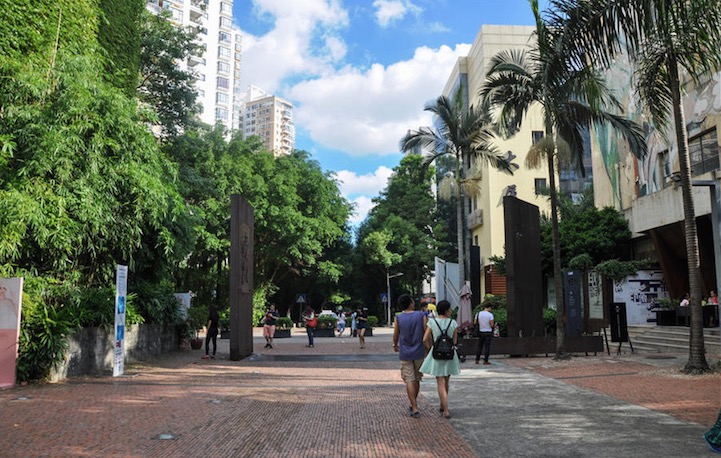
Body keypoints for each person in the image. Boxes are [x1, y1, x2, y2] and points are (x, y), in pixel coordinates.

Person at [419, 299, 460, 419]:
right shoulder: (452, 323)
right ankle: (444, 406)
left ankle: (445, 408)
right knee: (446, 380)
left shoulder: (432, 322)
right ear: (447, 310)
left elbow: (424, 339)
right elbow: (455, 340)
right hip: (449, 354)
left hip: (436, 354)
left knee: (440, 381)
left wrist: (430, 348)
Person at [393, 293, 427, 418]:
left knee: (409, 379)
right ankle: (414, 403)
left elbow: (396, 333)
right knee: (417, 378)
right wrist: (428, 348)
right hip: (419, 352)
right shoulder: (421, 315)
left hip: (405, 352)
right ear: (410, 303)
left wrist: (395, 344)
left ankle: (414, 406)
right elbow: (425, 332)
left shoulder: (398, 318)